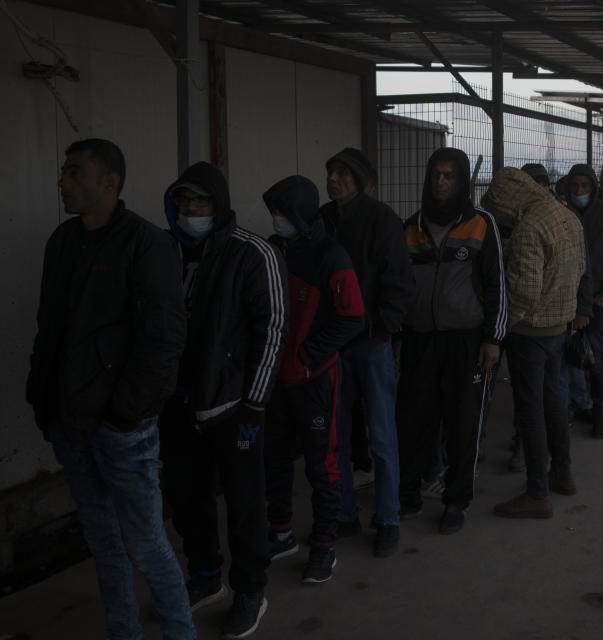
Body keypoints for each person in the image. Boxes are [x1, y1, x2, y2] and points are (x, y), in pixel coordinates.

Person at [27, 139, 195, 640]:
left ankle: (179, 631)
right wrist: (44, 400)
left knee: (145, 542)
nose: (63, 181)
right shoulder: (62, 243)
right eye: (63, 171)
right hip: (71, 425)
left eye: (75, 173)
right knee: (104, 541)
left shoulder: (147, 245)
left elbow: (165, 341)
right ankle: (124, 631)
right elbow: (48, 328)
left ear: (110, 183)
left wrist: (124, 414)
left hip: (124, 430)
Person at [159, 161, 287, 639]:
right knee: (187, 499)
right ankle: (207, 577)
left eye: (202, 201)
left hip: (234, 408)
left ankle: (250, 588)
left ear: (219, 204)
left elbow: (272, 329)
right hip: (176, 405)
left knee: (245, 505)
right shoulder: (163, 252)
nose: (191, 210)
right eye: (184, 201)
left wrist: (254, 404)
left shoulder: (251, 253)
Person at [261, 176, 365, 584]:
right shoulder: (273, 251)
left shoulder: (330, 255)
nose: (277, 220)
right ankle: (281, 532)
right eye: (275, 213)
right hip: (275, 381)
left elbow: (352, 317)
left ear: (301, 214)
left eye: (283, 213)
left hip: (316, 380)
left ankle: (324, 545)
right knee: (275, 460)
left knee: (322, 466)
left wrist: (308, 355)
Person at [397, 148, 506, 534]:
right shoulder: (411, 228)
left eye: (450, 176)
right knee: (413, 421)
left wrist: (493, 339)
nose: (441, 182)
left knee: (462, 424)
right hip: (420, 341)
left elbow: (497, 286)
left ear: (461, 182)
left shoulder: (480, 225)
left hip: (467, 343)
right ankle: (407, 493)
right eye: (436, 175)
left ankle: (456, 500)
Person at [319, 148, 415, 558]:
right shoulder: (322, 221)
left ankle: (388, 519)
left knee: (381, 435)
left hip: (372, 344)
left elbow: (399, 282)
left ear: (360, 181)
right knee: (335, 435)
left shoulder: (382, 220)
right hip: (333, 347)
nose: (335, 180)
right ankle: (344, 514)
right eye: (332, 172)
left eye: (344, 174)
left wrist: (384, 328)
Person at [482, 167, 589, 518]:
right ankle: (563, 473)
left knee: (530, 412)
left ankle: (536, 493)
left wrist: (500, 327)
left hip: (530, 333)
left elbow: (525, 292)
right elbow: (582, 267)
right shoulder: (567, 216)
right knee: (554, 402)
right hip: (560, 327)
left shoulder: (529, 227)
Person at [563, 164, 603, 438]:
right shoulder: (564, 214)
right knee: (569, 356)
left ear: (593, 187)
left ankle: (600, 411)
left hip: (598, 298)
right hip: (566, 300)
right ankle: (578, 404)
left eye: (584, 186)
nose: (579, 191)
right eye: (575, 186)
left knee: (598, 356)